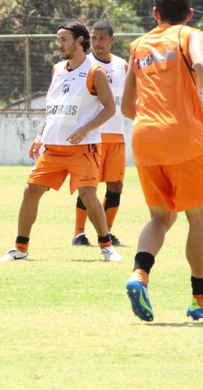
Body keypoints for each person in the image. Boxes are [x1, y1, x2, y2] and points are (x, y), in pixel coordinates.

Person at [123, 0, 203, 322]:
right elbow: (201, 65)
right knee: (199, 218)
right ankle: (200, 300)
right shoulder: (190, 35)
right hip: (183, 137)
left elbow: (127, 106)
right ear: (188, 15)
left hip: (144, 137)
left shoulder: (138, 44)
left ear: (155, 14)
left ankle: (138, 275)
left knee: (161, 217)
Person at [0, 20, 122, 262]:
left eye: (64, 39)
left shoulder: (95, 71)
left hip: (83, 148)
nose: (60, 44)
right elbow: (54, 108)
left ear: (79, 41)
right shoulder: (57, 69)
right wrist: (40, 134)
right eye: (58, 40)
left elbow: (109, 109)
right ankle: (20, 249)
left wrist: (86, 128)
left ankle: (107, 247)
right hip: (53, 148)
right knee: (30, 190)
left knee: (88, 194)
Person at [71, 19, 128, 248]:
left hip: (117, 135)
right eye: (93, 38)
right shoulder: (84, 65)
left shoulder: (123, 66)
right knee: (88, 186)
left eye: (102, 38)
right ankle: (79, 233)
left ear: (111, 40)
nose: (97, 43)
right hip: (93, 136)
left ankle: (108, 232)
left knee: (115, 186)